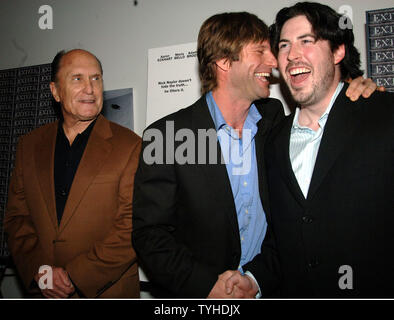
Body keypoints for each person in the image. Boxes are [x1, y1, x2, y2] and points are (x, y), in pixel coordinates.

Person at [132, 11, 376, 298]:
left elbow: (289, 219)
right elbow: (150, 235)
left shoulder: (275, 123)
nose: (274, 63)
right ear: (224, 61)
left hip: (268, 287)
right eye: (261, 51)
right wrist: (206, 287)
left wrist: (356, 90)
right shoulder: (167, 136)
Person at [224, 2, 394, 298]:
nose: (292, 55)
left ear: (338, 51)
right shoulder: (273, 140)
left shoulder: (384, 116)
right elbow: (284, 239)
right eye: (284, 45)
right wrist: (254, 280)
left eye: (307, 41)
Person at [4, 49, 142, 298]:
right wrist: (40, 271)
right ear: (55, 91)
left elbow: (133, 226)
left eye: (96, 78)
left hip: (107, 292)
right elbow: (17, 218)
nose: (90, 88)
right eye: (77, 78)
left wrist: (74, 277)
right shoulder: (29, 145)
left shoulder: (130, 145)